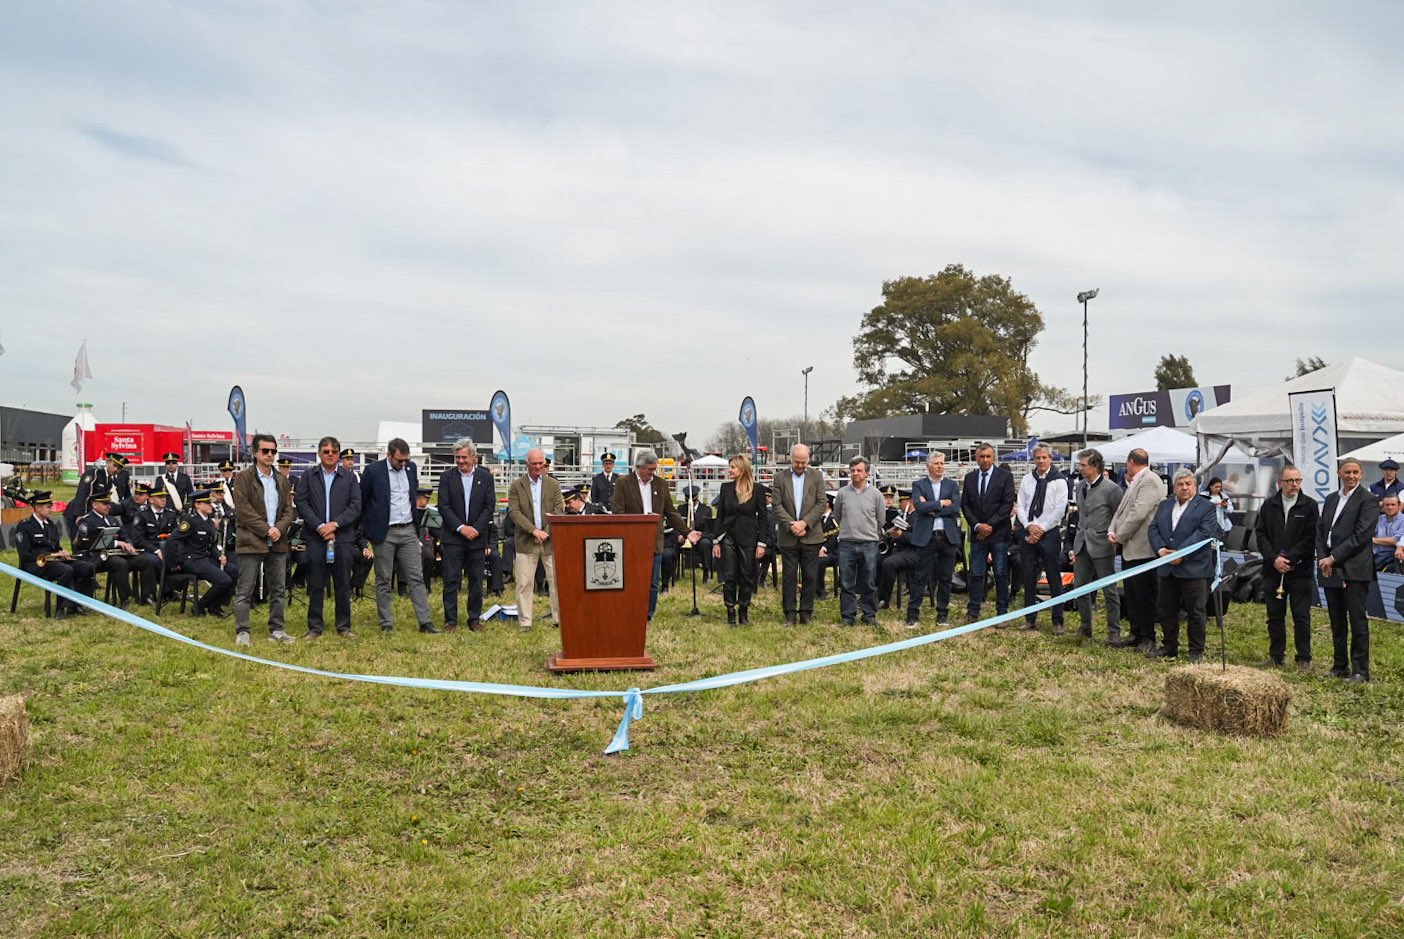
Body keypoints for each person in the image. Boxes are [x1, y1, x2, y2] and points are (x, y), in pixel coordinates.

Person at [610, 448, 699, 620]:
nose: (653, 472)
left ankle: (647, 616)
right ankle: (629, 613)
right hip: (631, 541)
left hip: (654, 541)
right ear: (639, 467)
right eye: (650, 469)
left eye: (654, 468)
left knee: (652, 582)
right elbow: (618, 512)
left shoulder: (661, 484)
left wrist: (687, 532)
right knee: (631, 581)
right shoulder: (623, 483)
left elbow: (671, 512)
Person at [361, 438, 438, 634]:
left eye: (406, 460)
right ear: (389, 455)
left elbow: (412, 496)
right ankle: (386, 623)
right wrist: (368, 531)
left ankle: (425, 622)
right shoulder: (373, 471)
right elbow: (363, 501)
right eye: (399, 460)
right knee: (384, 579)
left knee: (416, 577)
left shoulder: (411, 469)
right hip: (384, 532)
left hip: (409, 530)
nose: (403, 464)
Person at [1147, 469, 1222, 662]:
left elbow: (1204, 534)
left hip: (1194, 569)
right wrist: (1161, 550)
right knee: (1165, 609)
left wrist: (1181, 554)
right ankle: (1169, 645)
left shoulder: (1206, 507)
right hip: (1167, 567)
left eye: (1189, 484)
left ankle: (1196, 651)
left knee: (1195, 612)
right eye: (1180, 484)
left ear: (1195, 486)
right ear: (1174, 487)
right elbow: (1153, 528)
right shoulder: (1164, 505)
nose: (1185, 488)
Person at [231, 433, 298, 646]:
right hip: (251, 540)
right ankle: (243, 632)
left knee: (278, 588)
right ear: (255, 453)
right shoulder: (243, 478)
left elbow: (288, 510)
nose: (270, 454)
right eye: (265, 450)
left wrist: (279, 528)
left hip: (277, 541)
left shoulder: (282, 479)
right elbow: (244, 510)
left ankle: (277, 630)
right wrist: (267, 530)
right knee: (245, 589)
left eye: (273, 451)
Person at [1317, 458, 1380, 682]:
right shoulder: (1331, 499)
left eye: (1355, 472)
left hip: (1355, 568)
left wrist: (1333, 558)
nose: (1351, 476)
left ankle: (1360, 671)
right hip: (1330, 567)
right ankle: (1339, 666)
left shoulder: (1369, 500)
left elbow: (1361, 536)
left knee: (1357, 620)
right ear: (1339, 473)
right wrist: (1323, 559)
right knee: (1336, 620)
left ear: (1361, 474)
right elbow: (1321, 530)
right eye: (1347, 472)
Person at [295, 435, 362, 639]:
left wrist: (335, 524)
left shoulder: (349, 477)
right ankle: (315, 627)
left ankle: (344, 626)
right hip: (316, 538)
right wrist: (320, 526)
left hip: (342, 538)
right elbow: (302, 503)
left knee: (343, 583)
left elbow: (355, 506)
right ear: (319, 454)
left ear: (339, 454)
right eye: (326, 452)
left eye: (334, 452)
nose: (330, 455)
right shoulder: (309, 476)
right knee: (316, 583)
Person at [1254, 466, 1319, 670]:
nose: (1294, 484)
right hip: (1272, 570)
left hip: (1300, 571)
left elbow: (1311, 537)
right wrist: (1274, 559)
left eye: (1298, 480)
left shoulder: (1309, 506)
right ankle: (1276, 656)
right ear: (1280, 482)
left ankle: (1304, 658)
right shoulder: (1269, 505)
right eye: (1290, 481)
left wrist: (1290, 559)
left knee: (1301, 616)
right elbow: (1261, 535)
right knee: (1275, 616)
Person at [1107, 448, 1166, 652]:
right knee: (1131, 594)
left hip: (1143, 549)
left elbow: (1138, 513)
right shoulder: (1134, 481)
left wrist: (1120, 536)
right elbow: (1121, 511)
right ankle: (1136, 632)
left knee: (1144, 596)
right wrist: (1112, 530)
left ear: (1131, 462)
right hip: (1129, 548)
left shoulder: (1150, 480)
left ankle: (1148, 637)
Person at [438, 438, 496, 632]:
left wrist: (476, 529)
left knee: (476, 581)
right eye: (458, 457)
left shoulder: (485, 477)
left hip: (477, 539)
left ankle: (474, 619)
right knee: (451, 580)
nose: (461, 461)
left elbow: (489, 506)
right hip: (453, 538)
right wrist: (461, 527)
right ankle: (450, 621)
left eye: (464, 457)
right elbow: (443, 506)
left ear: (473, 457)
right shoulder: (447, 478)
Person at [769, 443, 827, 626]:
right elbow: (776, 505)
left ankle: (806, 612)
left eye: (804, 462)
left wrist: (805, 523)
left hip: (811, 535)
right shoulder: (779, 478)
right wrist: (791, 525)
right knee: (789, 577)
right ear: (790, 459)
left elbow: (821, 503)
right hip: (789, 536)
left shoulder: (817, 476)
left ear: (808, 460)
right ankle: (790, 613)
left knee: (810, 576)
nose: (801, 465)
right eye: (797, 462)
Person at [71, 486, 158, 608]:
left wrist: (129, 544)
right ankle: (125, 598)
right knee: (120, 563)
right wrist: (116, 543)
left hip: (116, 554)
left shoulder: (112, 519)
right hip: (98, 556)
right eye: (104, 504)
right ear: (94, 505)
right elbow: (88, 542)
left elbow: (124, 535)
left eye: (109, 503)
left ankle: (148, 595)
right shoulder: (86, 521)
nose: (108, 506)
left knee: (146, 561)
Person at [13, 490, 95, 617]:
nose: (51, 509)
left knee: (87, 567)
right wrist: (50, 556)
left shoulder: (51, 525)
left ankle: (77, 603)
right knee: (66, 570)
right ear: (37, 508)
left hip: (54, 561)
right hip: (36, 564)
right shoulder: (24, 526)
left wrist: (61, 552)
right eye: (48, 507)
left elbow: (56, 546)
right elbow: (25, 554)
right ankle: (61, 608)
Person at [1070, 448, 1123, 642]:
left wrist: (1114, 537)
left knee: (1109, 590)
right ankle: (1085, 626)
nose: (1080, 468)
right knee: (1080, 588)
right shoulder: (1080, 487)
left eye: (1083, 465)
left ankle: (1113, 630)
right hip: (1082, 544)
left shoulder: (1112, 489)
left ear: (1095, 466)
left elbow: (1118, 516)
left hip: (1102, 546)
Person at [508, 447, 564, 629]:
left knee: (556, 582)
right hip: (526, 542)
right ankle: (525, 622)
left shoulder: (553, 484)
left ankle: (559, 620)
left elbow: (559, 509)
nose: (538, 466)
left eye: (541, 463)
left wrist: (545, 532)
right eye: (534, 463)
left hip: (550, 542)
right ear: (527, 464)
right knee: (524, 583)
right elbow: (514, 512)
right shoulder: (516, 486)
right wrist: (533, 531)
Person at [1015, 445, 1068, 632]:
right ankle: (1030, 618)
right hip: (1029, 531)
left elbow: (1059, 509)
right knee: (1029, 576)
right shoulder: (1027, 479)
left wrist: (1041, 529)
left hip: (1049, 533)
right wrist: (1029, 526)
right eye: (1037, 457)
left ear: (1050, 458)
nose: (1041, 461)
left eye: (1044, 457)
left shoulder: (1059, 481)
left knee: (1053, 576)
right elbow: (1020, 505)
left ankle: (1058, 620)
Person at [907, 451, 963, 629]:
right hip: (927, 537)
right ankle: (913, 614)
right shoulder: (919, 484)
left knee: (946, 577)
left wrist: (931, 508)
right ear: (928, 466)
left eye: (942, 463)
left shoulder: (952, 485)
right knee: (920, 576)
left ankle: (942, 614)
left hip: (947, 537)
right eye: (936, 463)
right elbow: (919, 506)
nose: (940, 466)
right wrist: (941, 503)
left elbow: (955, 508)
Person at [962, 443, 1016, 621]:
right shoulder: (970, 478)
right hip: (978, 535)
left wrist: (989, 526)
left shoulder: (1005, 476)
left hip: (999, 534)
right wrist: (978, 526)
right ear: (976, 458)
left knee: (1000, 573)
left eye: (988, 456)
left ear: (993, 458)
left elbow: (1007, 504)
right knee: (977, 573)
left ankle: (1002, 613)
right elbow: (965, 505)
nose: (985, 460)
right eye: (981, 456)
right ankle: (973, 611)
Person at [712, 453, 768, 625]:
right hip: (727, 537)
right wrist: (716, 541)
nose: (729, 470)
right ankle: (730, 611)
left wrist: (762, 543)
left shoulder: (757, 489)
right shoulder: (725, 488)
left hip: (748, 538)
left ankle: (744, 611)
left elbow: (763, 518)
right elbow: (720, 516)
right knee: (729, 575)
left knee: (747, 575)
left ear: (742, 469)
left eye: (733, 467)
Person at [833, 456, 886, 626]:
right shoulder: (842, 494)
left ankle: (869, 615)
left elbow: (881, 519)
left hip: (869, 544)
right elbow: (838, 515)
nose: (855, 473)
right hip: (847, 544)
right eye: (853, 470)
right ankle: (848, 616)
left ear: (867, 473)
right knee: (846, 582)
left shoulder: (876, 495)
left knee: (868, 582)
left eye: (859, 470)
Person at [169, 490, 235, 617]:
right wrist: (174, 562)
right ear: (197, 505)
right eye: (207, 503)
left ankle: (215, 605)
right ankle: (199, 606)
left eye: (210, 502)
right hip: (193, 559)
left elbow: (211, 545)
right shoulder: (190, 521)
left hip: (205, 558)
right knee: (224, 580)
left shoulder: (209, 521)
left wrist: (219, 556)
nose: (211, 505)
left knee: (233, 571)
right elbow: (173, 540)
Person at [1371, 494, 1404, 573]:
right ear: (1383, 506)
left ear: (1399, 505)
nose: (1390, 507)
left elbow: (1395, 540)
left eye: (1393, 504)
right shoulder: (1378, 519)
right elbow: (1369, 534)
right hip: (1376, 556)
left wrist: (1373, 540)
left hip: (1394, 557)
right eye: (1387, 505)